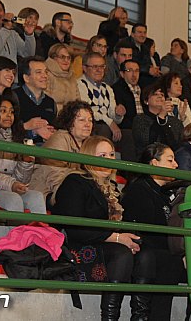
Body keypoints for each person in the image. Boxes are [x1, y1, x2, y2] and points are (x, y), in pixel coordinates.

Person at [50, 136, 153, 321]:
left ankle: (140, 317)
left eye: (111, 154)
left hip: (105, 244)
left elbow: (121, 226)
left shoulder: (112, 187)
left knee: (146, 254)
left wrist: (128, 238)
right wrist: (117, 238)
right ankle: (110, 318)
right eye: (102, 155)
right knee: (122, 253)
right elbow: (75, 228)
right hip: (77, 247)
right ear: (89, 156)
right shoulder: (75, 182)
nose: (108, 159)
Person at [121, 143, 186, 320]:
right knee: (171, 261)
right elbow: (145, 232)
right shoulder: (139, 190)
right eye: (170, 160)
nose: (176, 165)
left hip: (162, 252)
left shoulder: (166, 194)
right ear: (154, 163)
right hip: (142, 250)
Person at [0, 95, 46, 214]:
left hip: (10, 187)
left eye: (12, 112)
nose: (9, 115)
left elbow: (22, 180)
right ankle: (17, 233)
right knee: (14, 199)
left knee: (37, 197)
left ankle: (40, 233)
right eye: (3, 111)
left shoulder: (18, 138)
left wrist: (25, 163)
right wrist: (12, 184)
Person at [30, 101, 93, 205]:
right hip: (49, 192)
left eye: (90, 120)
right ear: (70, 123)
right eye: (82, 120)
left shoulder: (91, 143)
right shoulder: (59, 138)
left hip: (75, 192)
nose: (88, 124)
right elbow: (55, 177)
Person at [77, 52, 124, 143]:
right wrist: (110, 122)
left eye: (102, 66)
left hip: (105, 124)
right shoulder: (80, 85)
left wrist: (118, 114)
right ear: (85, 68)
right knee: (104, 129)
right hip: (89, 123)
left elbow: (113, 116)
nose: (99, 70)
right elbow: (87, 111)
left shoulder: (107, 88)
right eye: (95, 67)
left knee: (128, 134)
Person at [132, 83, 183, 160]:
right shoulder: (140, 119)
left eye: (162, 95)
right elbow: (148, 144)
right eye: (155, 94)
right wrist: (161, 117)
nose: (160, 96)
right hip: (148, 162)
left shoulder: (174, 121)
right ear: (146, 101)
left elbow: (177, 146)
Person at [14, 56, 57, 144]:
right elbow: (5, 130)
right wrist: (28, 128)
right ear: (26, 78)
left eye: (46, 72)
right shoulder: (13, 97)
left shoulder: (51, 103)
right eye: (38, 72)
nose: (44, 76)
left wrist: (53, 132)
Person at [45, 43, 81, 112]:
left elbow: (78, 102)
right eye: (62, 57)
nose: (66, 60)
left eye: (68, 58)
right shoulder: (46, 75)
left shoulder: (72, 77)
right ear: (53, 58)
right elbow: (46, 103)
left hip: (70, 117)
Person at [128, 23, 160, 88]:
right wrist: (148, 70)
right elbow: (130, 63)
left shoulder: (145, 48)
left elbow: (147, 63)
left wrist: (154, 70)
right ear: (132, 34)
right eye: (139, 32)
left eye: (144, 33)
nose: (143, 35)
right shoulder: (127, 46)